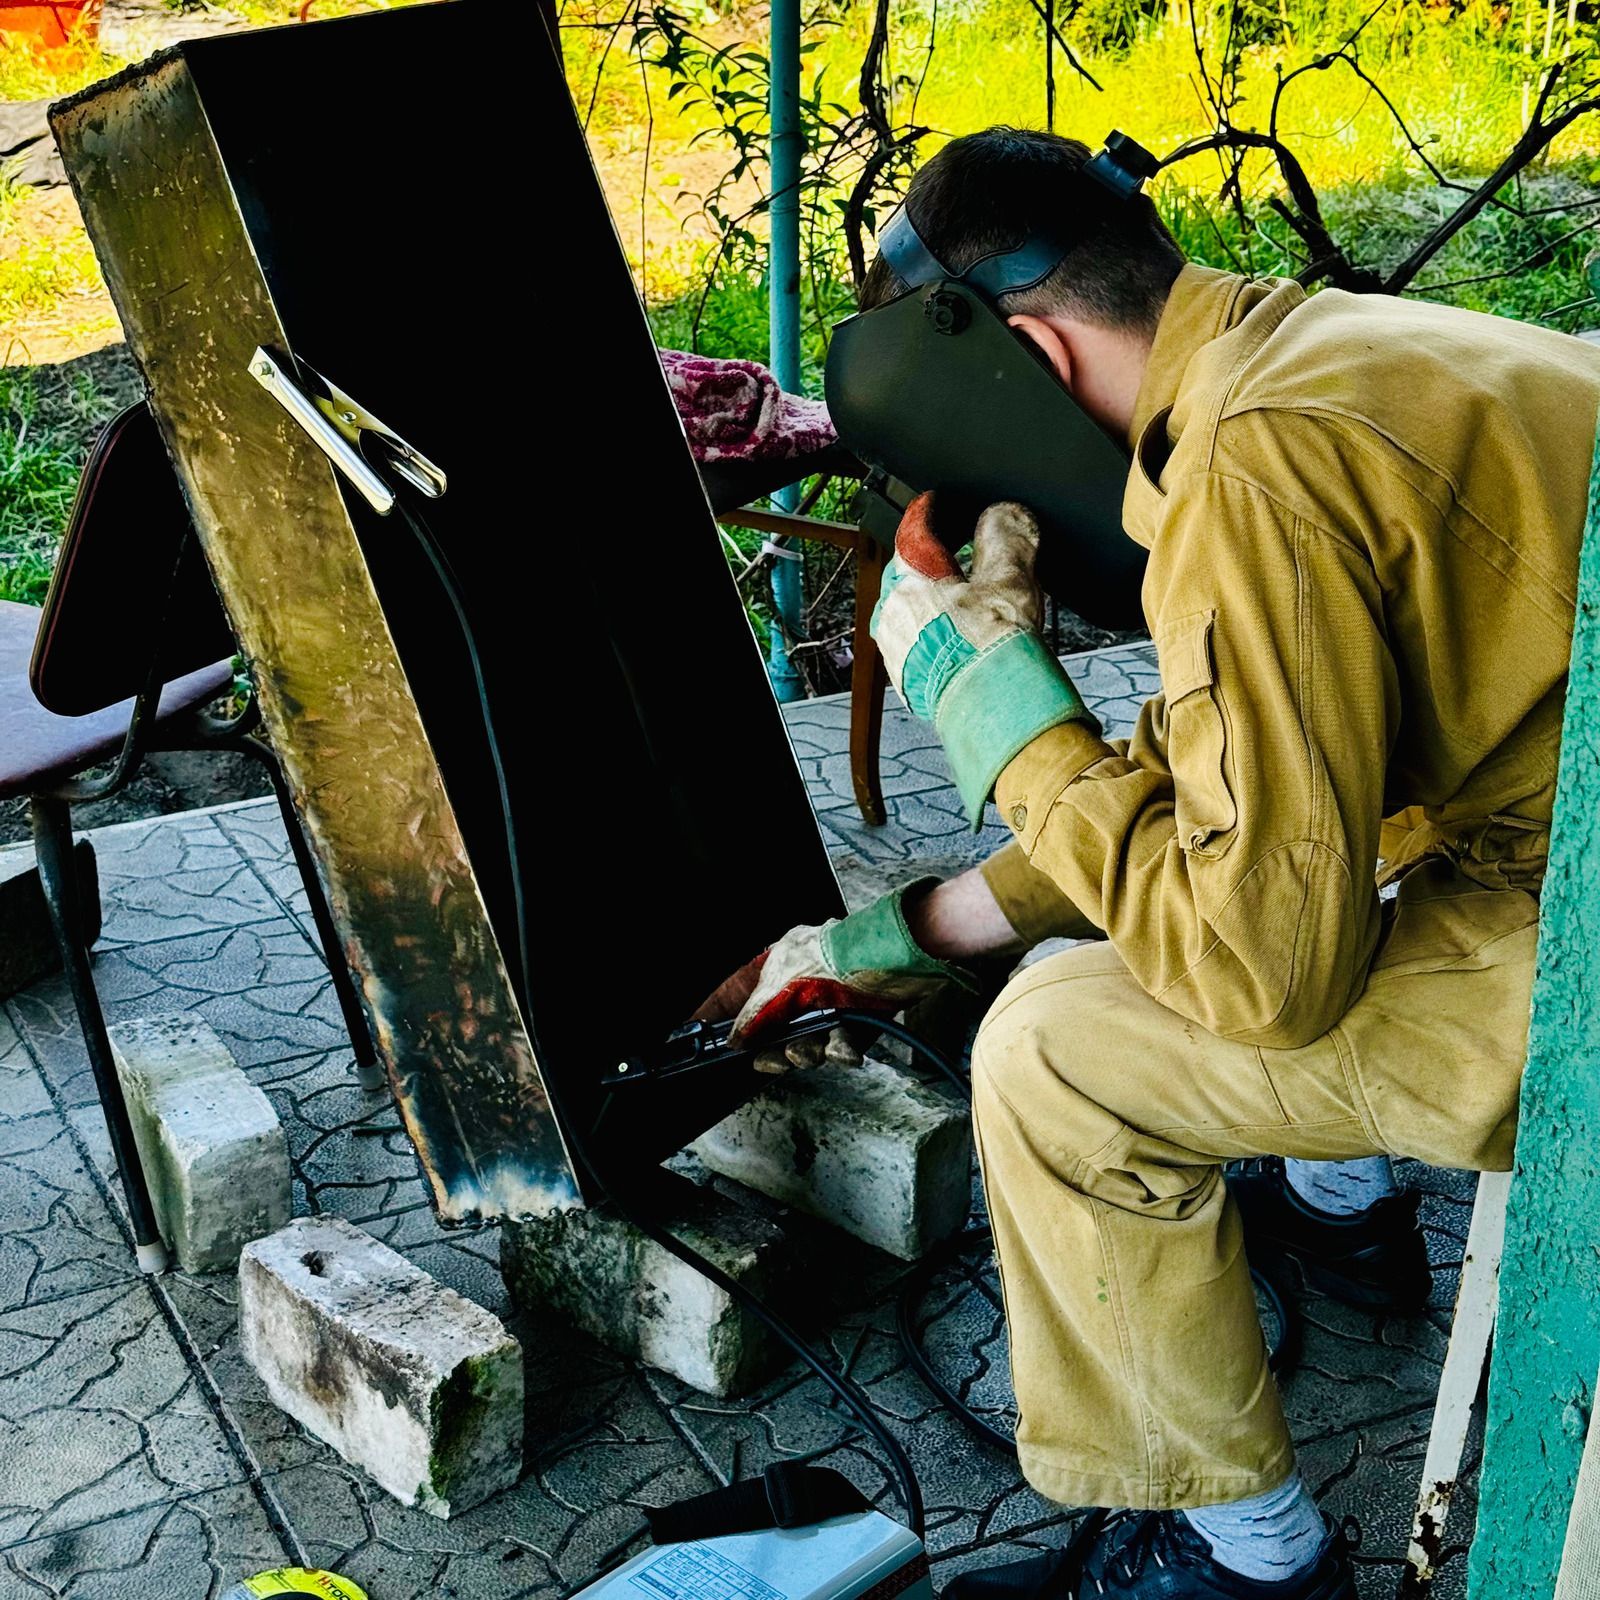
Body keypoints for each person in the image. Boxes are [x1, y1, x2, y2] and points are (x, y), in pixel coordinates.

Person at [695, 126, 1600, 1597]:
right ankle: (1344, 1223)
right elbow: (1223, 782)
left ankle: (1248, 1563)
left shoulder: (1255, 472)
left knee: (1054, 1051)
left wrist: (991, 708)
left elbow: (1264, 969)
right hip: (1559, 827)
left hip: (1578, 943)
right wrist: (886, 942)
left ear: (1028, 358)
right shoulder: (1324, 349)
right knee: (1292, 849)